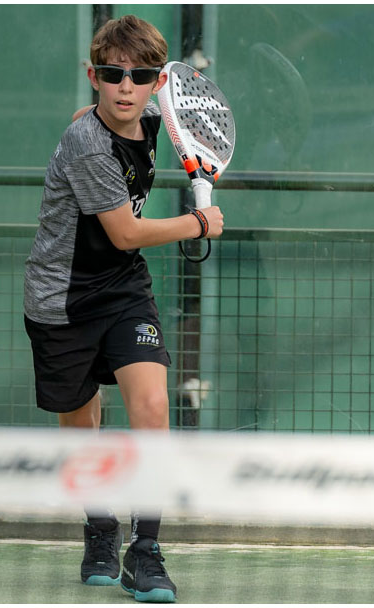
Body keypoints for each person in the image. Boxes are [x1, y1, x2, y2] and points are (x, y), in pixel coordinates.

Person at [23, 14, 223, 604]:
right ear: (95, 77)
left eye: (139, 76)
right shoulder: (87, 144)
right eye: (112, 75)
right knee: (82, 426)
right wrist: (198, 222)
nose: (125, 86)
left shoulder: (156, 118)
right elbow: (126, 233)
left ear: (158, 82)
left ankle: (147, 550)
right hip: (61, 300)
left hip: (123, 291)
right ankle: (100, 529)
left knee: (153, 407)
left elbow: (187, 122)